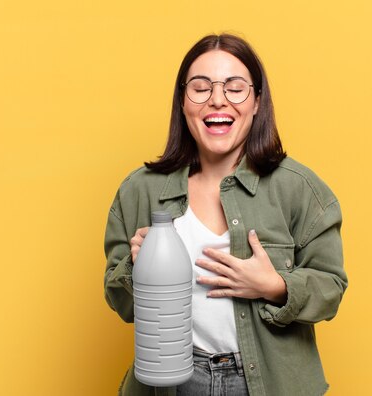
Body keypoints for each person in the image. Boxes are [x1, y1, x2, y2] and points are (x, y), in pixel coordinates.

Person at [104, 33, 348, 396]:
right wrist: (136, 272)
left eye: (235, 88)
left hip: (270, 383)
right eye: (200, 88)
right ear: (183, 103)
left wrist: (275, 286)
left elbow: (332, 287)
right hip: (174, 381)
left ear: (256, 103)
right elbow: (122, 304)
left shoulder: (298, 188)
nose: (217, 100)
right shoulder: (140, 191)